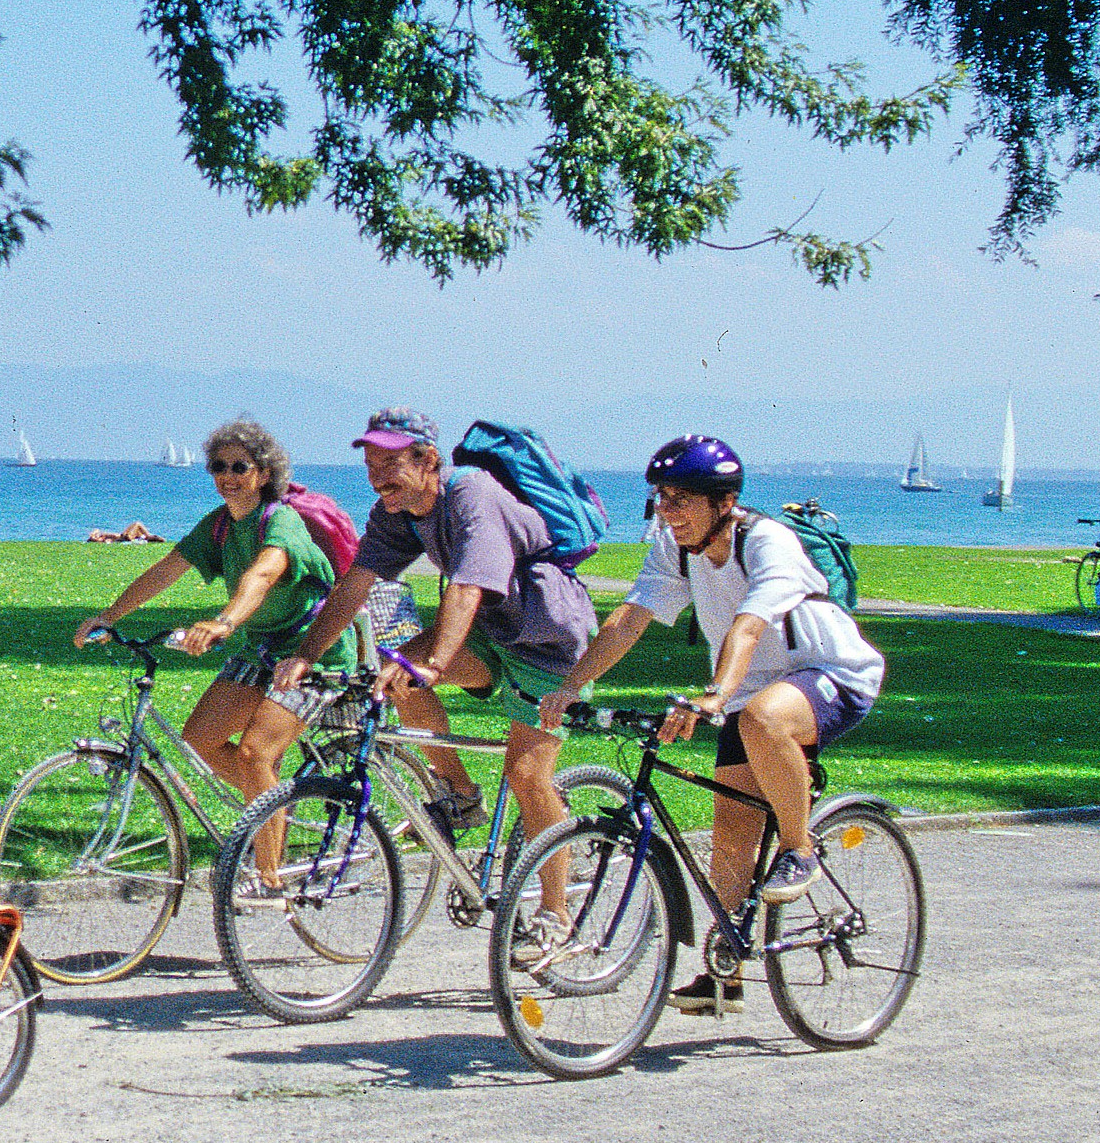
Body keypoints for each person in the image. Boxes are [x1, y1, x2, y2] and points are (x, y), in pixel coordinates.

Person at [540, 436, 889, 1015]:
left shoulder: (767, 541)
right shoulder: (673, 547)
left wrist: (713, 696)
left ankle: (800, 848)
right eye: (661, 498)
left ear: (723, 502)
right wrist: (571, 685)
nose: (666, 512)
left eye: (681, 501)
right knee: (731, 834)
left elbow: (749, 627)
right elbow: (630, 618)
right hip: (750, 694)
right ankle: (724, 969)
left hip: (830, 672)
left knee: (761, 718)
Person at [275, 408, 600, 950]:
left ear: (428, 459)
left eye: (390, 462)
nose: (378, 476)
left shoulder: (474, 496)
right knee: (392, 674)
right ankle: (460, 793)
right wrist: (307, 653)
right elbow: (355, 583)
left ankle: (556, 913)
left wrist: (437, 662)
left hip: (548, 645)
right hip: (490, 635)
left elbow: (469, 585)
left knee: (526, 775)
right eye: (370, 463)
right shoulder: (397, 512)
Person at [77, 421, 365, 803]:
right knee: (199, 741)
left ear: (263, 474)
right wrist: (110, 616)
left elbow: (262, 574)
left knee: (255, 755)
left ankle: (266, 862)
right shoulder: (219, 524)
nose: (227, 476)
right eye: (219, 466)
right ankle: (272, 806)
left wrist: (224, 621)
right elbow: (168, 569)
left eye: (239, 467)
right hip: (260, 649)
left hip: (310, 653)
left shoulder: (281, 521)